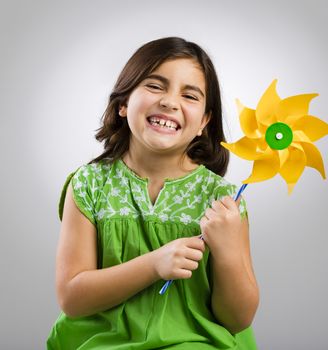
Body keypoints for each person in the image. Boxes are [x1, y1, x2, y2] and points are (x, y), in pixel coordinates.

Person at [47, 37, 259, 350]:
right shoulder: (88, 185)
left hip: (194, 342)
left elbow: (237, 319)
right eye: (156, 86)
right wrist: (154, 264)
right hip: (104, 342)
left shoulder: (224, 201)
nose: (170, 102)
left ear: (204, 121)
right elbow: (72, 298)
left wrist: (228, 252)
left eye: (189, 95)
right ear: (123, 103)